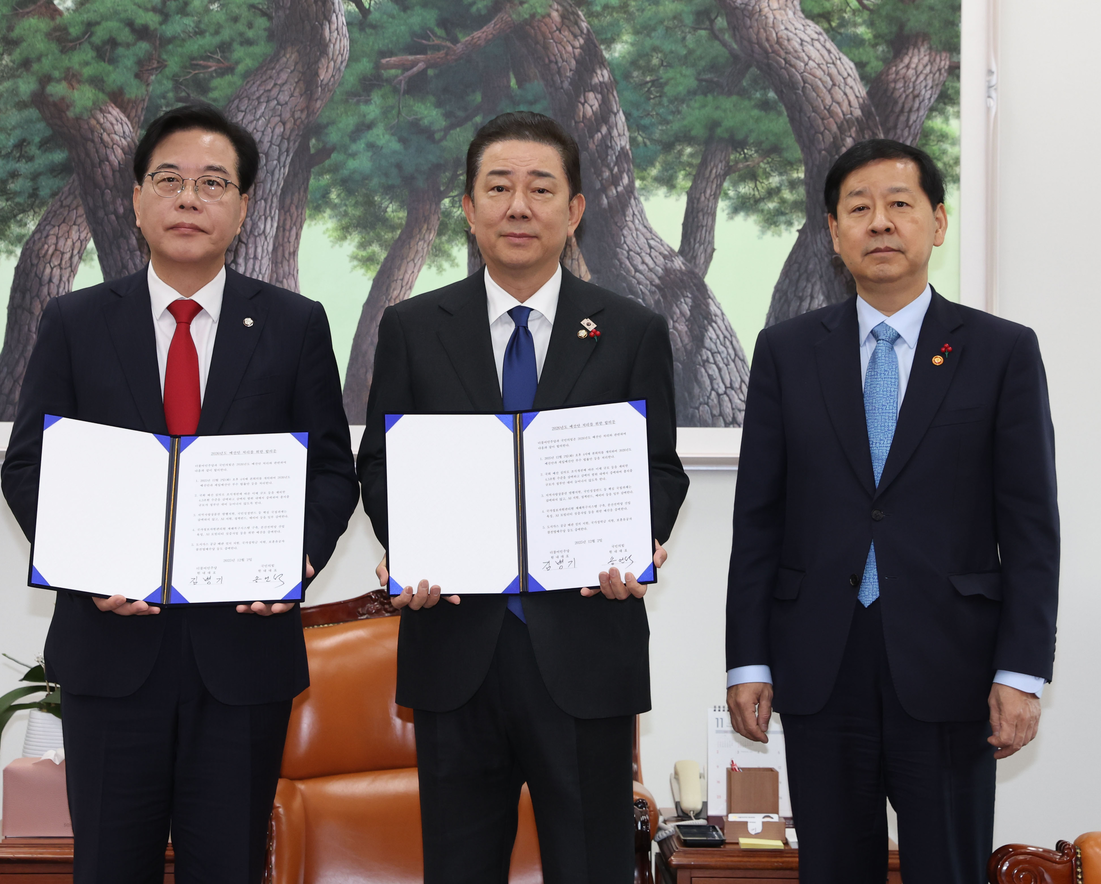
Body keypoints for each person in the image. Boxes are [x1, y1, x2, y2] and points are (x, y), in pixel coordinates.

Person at [1, 104, 358, 884]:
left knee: (228, 868)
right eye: (169, 180)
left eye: (213, 183)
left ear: (244, 206)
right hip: (110, 657)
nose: (189, 199)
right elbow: (29, 467)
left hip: (242, 660)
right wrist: (87, 566)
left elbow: (333, 470)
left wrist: (296, 557)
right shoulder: (76, 322)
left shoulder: (294, 325)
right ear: (136, 200)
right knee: (109, 868)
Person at [356, 111, 689, 884]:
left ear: (574, 210)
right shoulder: (412, 328)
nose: (518, 206)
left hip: (586, 647)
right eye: (498, 187)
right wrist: (411, 550)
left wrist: (634, 542)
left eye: (541, 188)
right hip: (454, 647)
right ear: (468, 209)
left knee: (593, 866)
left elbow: (659, 469)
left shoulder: (631, 330)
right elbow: (381, 465)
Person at [725, 139, 1059, 883]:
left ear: (937, 223)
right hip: (821, 661)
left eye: (900, 204)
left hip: (952, 664)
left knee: (948, 868)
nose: (880, 222)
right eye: (859, 208)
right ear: (833, 231)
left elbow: (1031, 528)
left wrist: (1022, 672)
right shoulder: (786, 352)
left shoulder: (1000, 351)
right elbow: (759, 520)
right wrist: (747, 659)